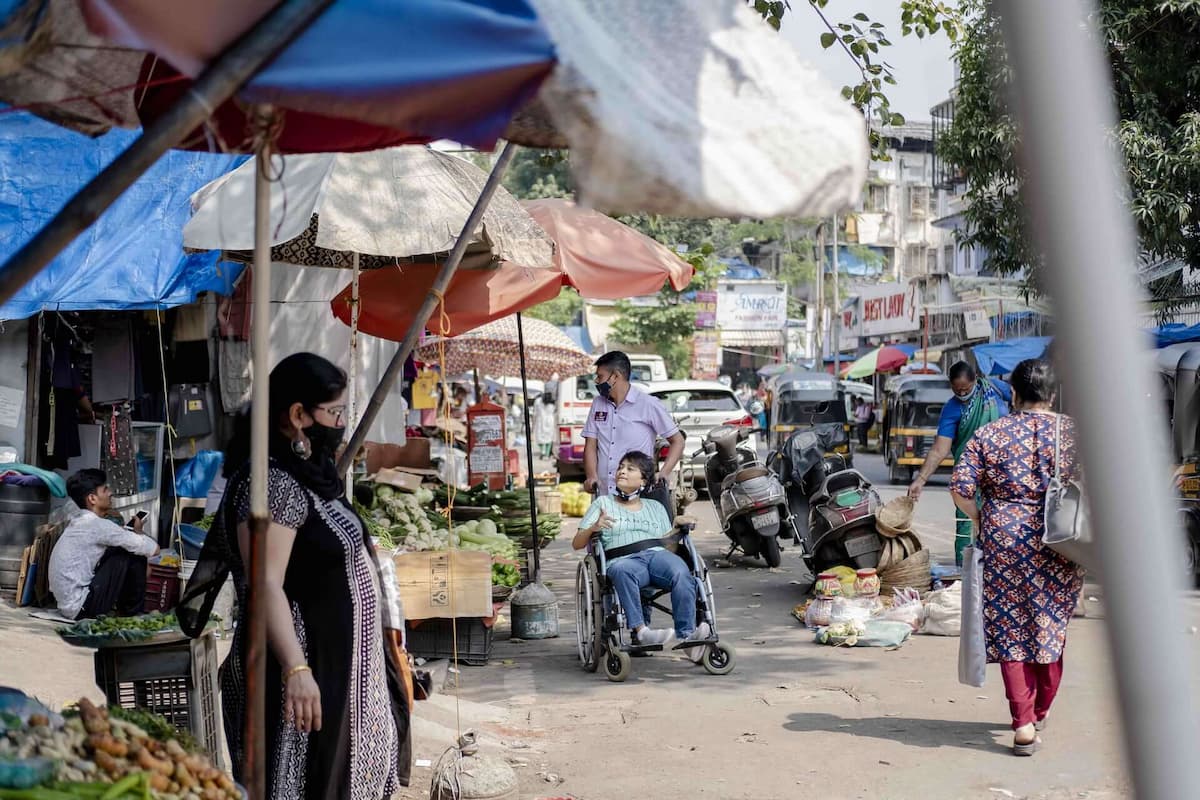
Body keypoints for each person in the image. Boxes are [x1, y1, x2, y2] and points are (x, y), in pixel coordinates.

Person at [178, 353, 410, 797]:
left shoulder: (311, 475)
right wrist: (296, 669)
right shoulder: (271, 486)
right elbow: (266, 582)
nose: (341, 423)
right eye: (335, 413)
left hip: (339, 667)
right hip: (299, 671)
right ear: (298, 415)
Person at [949, 358, 1082, 756]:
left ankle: (1023, 722)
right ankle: (1040, 708)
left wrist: (981, 519)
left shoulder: (989, 435)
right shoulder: (1074, 434)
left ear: (1013, 394)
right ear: (1054, 394)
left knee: (1010, 629)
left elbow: (960, 486)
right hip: (1062, 538)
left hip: (1003, 538)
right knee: (1050, 624)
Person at [572, 451, 710, 654]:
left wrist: (679, 526)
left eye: (630, 468)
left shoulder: (656, 507)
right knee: (622, 570)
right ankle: (641, 632)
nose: (622, 472)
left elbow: (668, 545)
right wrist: (593, 527)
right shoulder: (602, 504)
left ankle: (687, 636)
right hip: (622, 559)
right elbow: (577, 543)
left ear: (643, 479)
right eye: (620, 467)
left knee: (681, 571)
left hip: (656, 556)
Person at [908, 361, 1013, 565]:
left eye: (966, 389)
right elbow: (940, 449)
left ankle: (999, 571)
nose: (962, 394)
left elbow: (1020, 402)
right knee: (966, 527)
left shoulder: (994, 389)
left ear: (976, 380)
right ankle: (963, 575)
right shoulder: (952, 409)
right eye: (957, 390)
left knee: (1003, 524)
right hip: (970, 476)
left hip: (1003, 471)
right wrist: (920, 480)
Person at [48, 469, 159, 620]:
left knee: (122, 547)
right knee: (132, 552)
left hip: (70, 605)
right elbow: (154, 550)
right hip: (81, 607)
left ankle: (126, 610)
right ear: (92, 498)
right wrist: (138, 531)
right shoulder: (97, 525)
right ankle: (131, 614)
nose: (110, 493)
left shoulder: (80, 521)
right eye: (105, 490)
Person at [583, 351, 685, 514]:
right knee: (600, 538)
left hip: (636, 499)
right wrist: (591, 477)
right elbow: (590, 445)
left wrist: (664, 473)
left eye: (600, 376)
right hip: (603, 496)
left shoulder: (648, 404)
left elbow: (677, 441)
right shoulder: (598, 404)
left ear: (615, 376)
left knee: (633, 538)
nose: (596, 381)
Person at [534, 391, 557, 459]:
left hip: (541, 421)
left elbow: (535, 413)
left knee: (540, 437)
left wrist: (533, 424)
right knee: (549, 438)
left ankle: (543, 452)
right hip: (550, 421)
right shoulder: (553, 402)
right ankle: (547, 454)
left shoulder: (538, 401)